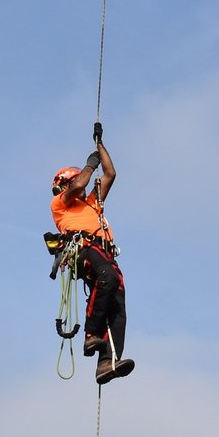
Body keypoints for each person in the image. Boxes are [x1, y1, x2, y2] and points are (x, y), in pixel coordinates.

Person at [50, 124, 134, 386]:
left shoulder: (92, 204)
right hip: (84, 248)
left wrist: (99, 144)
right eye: (73, 181)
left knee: (118, 307)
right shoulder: (61, 204)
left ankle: (108, 361)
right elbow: (81, 183)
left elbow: (111, 173)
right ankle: (91, 335)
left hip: (105, 253)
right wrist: (89, 165)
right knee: (106, 277)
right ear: (64, 185)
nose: (82, 186)